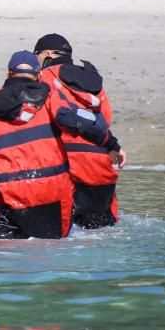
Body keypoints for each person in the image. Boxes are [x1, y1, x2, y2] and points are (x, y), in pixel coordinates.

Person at [0, 51, 75, 239]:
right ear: (39, 75)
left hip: (11, 194)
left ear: (8, 74)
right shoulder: (52, 98)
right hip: (53, 193)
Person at [34, 33, 125, 229]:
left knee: (64, 232)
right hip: (101, 165)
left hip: (69, 165)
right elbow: (105, 119)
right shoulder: (94, 81)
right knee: (101, 231)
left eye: (37, 56)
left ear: (47, 53)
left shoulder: (45, 78)